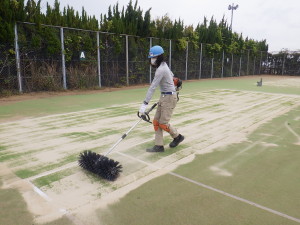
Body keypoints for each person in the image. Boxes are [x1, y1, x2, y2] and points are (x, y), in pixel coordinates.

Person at [139, 45, 184, 152]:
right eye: (151, 58)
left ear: (158, 57)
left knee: (163, 123)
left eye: (153, 58)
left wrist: (145, 104)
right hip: (164, 96)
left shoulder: (161, 70)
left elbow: (153, 87)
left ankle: (177, 137)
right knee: (156, 121)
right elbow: (172, 76)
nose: (151, 60)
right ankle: (159, 146)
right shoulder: (164, 66)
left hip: (169, 97)